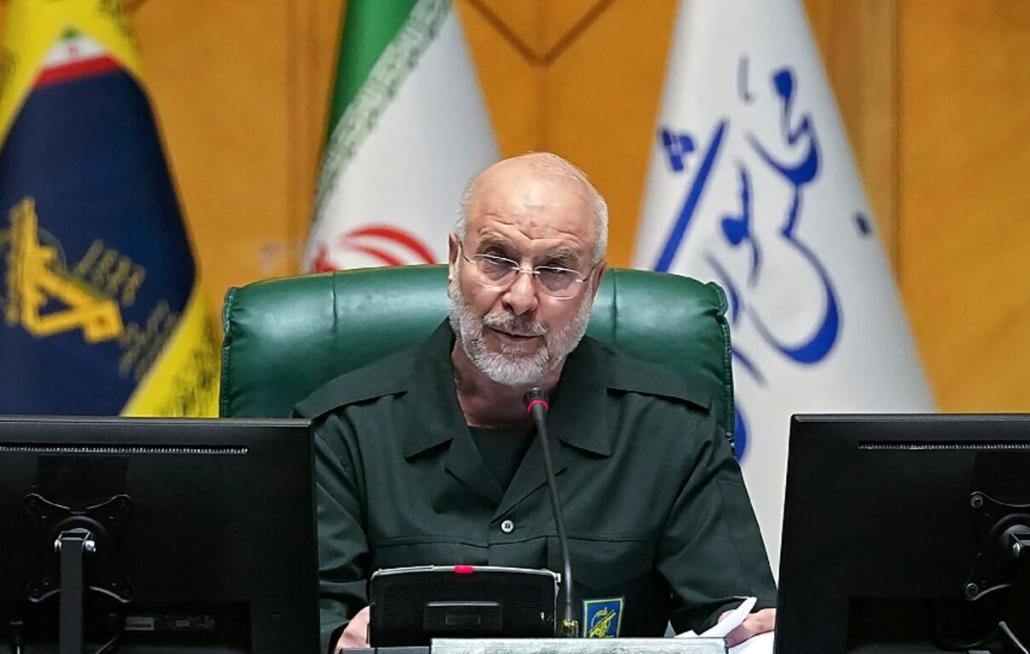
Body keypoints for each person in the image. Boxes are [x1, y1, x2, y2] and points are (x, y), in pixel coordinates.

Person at [295, 153, 777, 653]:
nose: (521, 298)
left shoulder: (672, 430)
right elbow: (298, 621)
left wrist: (748, 638)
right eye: (497, 259)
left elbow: (741, 619)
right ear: (455, 260)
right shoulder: (340, 431)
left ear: (593, 284)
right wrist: (339, 640)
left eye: (556, 270)